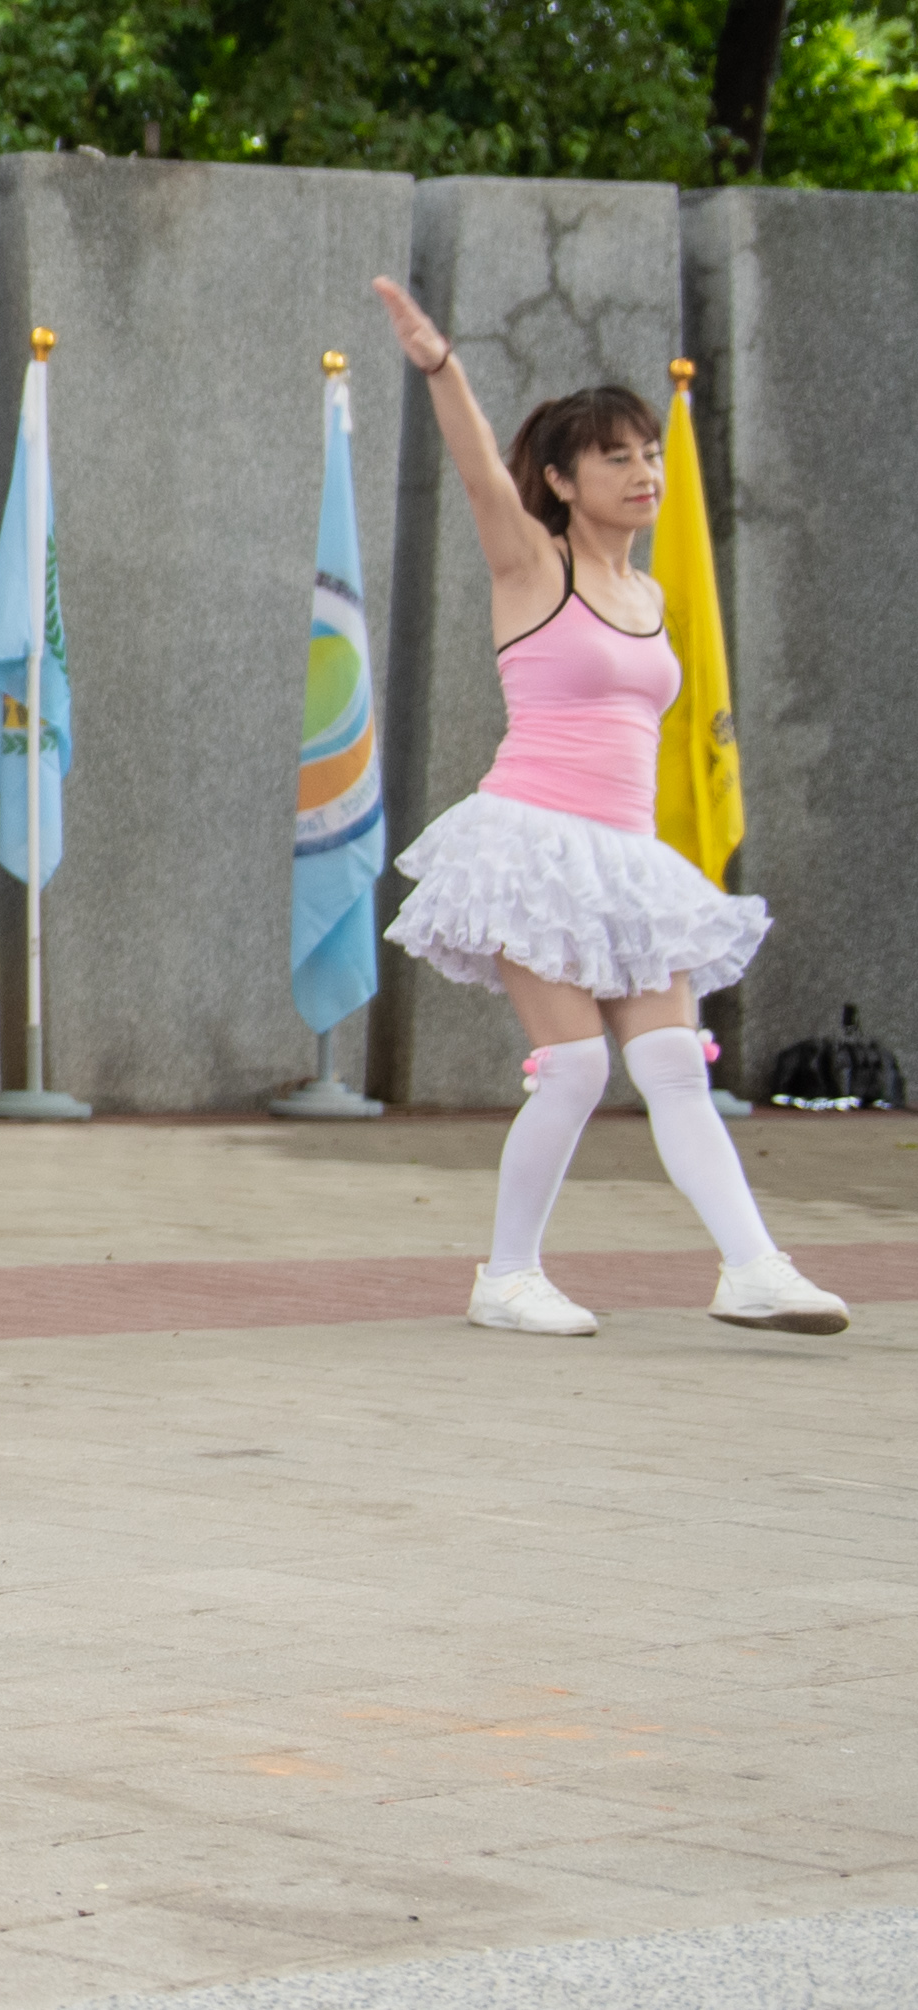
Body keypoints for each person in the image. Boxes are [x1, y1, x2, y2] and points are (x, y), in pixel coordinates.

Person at [370, 280, 847, 1337]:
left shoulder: (651, 595)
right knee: (579, 1065)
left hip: (626, 856)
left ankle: (754, 1267)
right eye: (617, 457)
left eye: (651, 455)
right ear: (561, 478)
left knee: (675, 1061)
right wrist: (442, 367)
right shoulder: (532, 566)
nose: (644, 473)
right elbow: (479, 474)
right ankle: (506, 1275)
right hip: (531, 841)